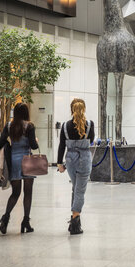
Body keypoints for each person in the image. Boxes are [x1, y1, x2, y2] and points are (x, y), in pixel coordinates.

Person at [0, 102, 39, 234]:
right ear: (26, 113)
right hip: (27, 160)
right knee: (28, 193)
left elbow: (1, 141)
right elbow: (33, 146)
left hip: (14, 161)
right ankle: (26, 222)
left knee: (15, 193)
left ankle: (5, 219)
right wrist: (35, 141)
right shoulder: (29, 126)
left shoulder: (9, 125)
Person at [57, 98, 94, 235]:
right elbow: (90, 141)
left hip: (70, 160)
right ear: (83, 109)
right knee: (80, 191)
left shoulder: (65, 126)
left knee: (75, 188)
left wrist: (59, 163)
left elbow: (62, 145)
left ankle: (74, 219)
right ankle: (75, 222)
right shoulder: (90, 124)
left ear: (72, 109)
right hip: (84, 159)